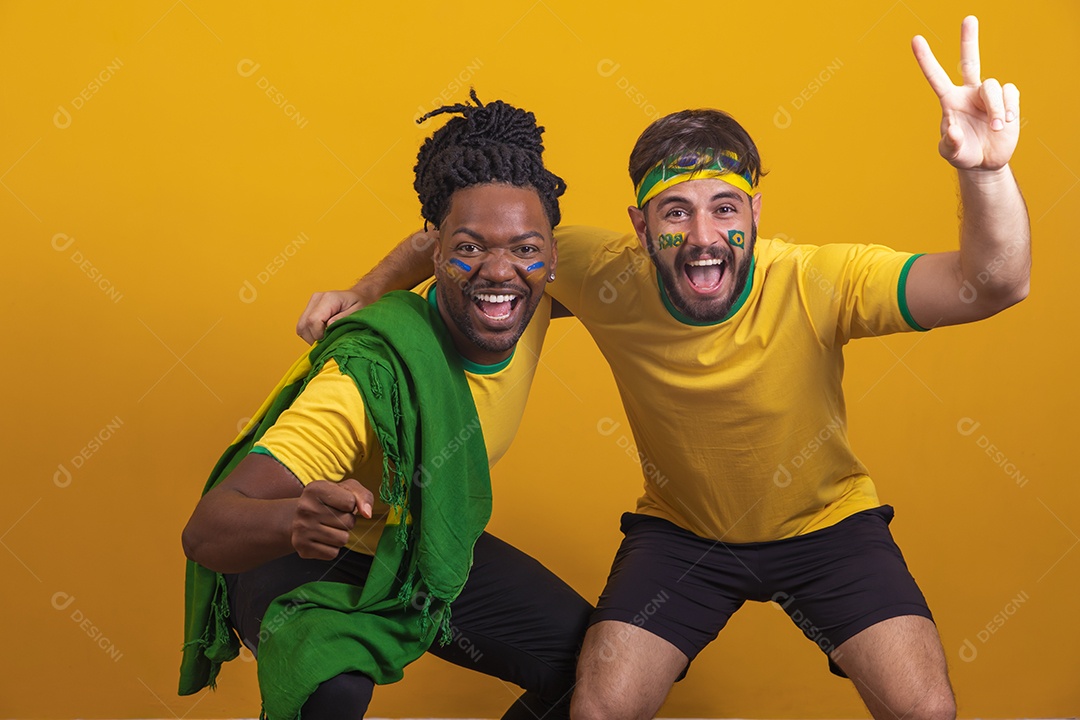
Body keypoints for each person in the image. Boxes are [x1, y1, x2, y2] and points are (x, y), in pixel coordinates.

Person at [297, 17, 1028, 720]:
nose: (703, 237)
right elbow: (450, 236)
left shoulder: (819, 280)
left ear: (756, 212)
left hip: (826, 529)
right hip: (683, 538)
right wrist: (362, 294)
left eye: (725, 208)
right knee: (600, 706)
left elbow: (993, 283)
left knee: (925, 708)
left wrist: (986, 173)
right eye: (675, 212)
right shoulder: (594, 267)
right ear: (640, 224)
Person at [180, 92, 592, 720]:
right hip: (305, 552)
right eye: (471, 248)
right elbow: (207, 529)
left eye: (525, 249)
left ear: (551, 256)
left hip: (418, 544)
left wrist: (368, 283)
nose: (501, 271)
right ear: (439, 252)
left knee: (602, 664)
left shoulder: (532, 297)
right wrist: (294, 518)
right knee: (330, 685)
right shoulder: (365, 382)